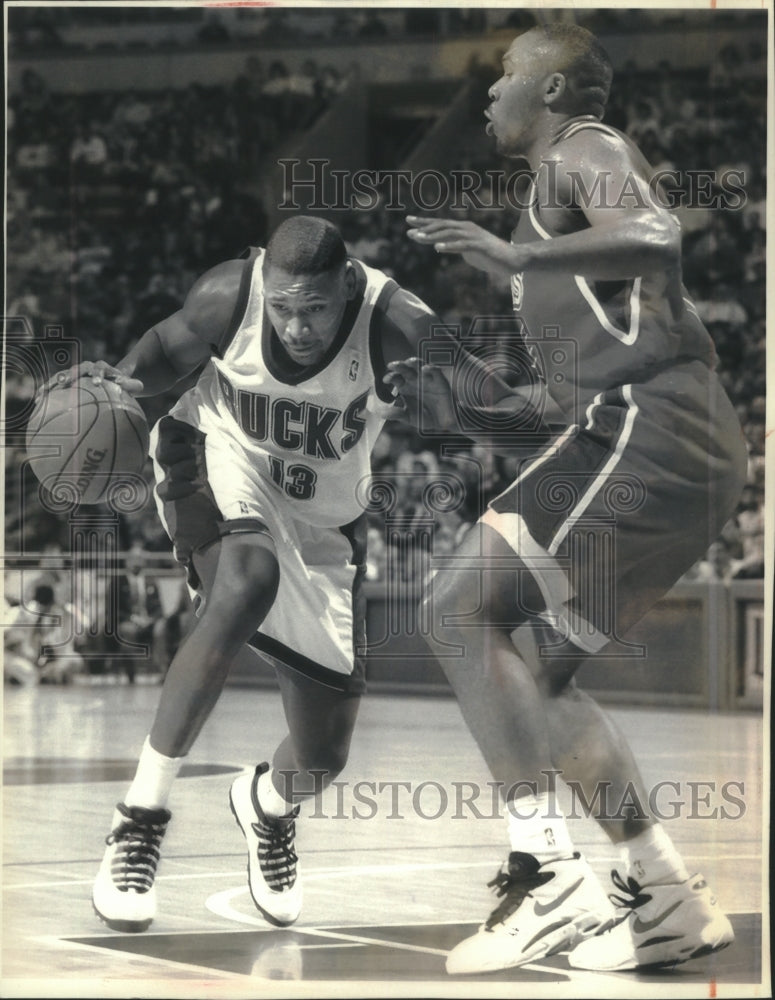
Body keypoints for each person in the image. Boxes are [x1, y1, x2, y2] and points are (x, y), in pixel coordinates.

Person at [49, 215, 518, 935]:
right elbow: (162, 349)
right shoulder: (227, 296)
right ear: (265, 284)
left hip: (325, 519)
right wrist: (118, 381)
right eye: (283, 308)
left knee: (322, 757)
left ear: (348, 285)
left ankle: (266, 805)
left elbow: (500, 411)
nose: (297, 327)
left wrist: (448, 411)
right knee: (245, 580)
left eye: (315, 309)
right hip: (213, 454)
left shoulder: (397, 321)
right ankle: (138, 819)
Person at [396, 22, 746, 975]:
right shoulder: (543, 213)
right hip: (662, 432)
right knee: (536, 680)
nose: (489, 93)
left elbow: (658, 231)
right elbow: (551, 403)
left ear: (553, 92)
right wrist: (456, 389)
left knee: (456, 605)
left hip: (655, 420)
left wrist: (512, 263)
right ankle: (661, 892)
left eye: (507, 74)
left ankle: (546, 875)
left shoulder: (582, 149)